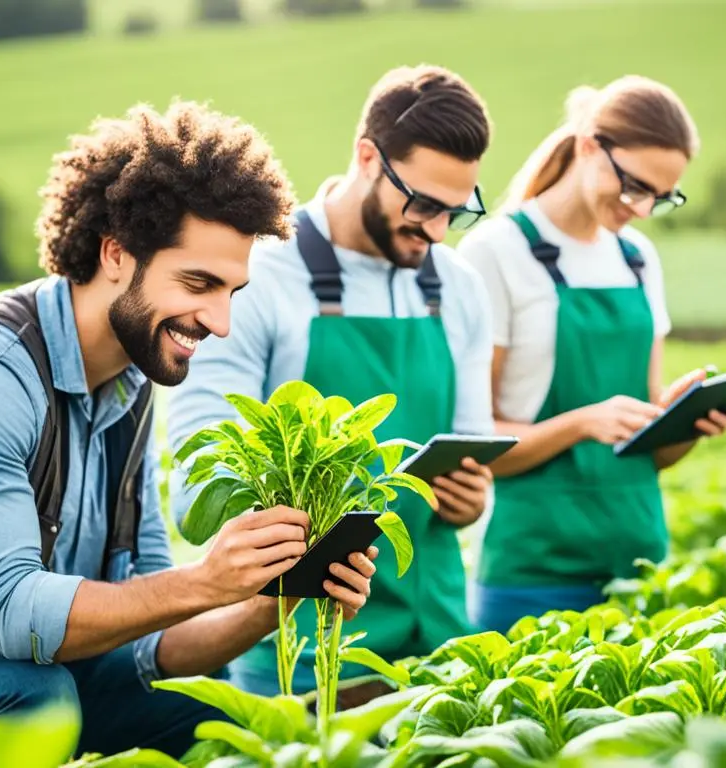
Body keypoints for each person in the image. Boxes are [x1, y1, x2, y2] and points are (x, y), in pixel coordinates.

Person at [0, 101, 379, 760]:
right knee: (36, 699)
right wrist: (205, 580)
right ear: (116, 254)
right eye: (198, 283)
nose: (220, 322)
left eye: (230, 292)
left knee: (203, 707)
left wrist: (269, 600)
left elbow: (151, 640)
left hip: (24, 679)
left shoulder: (128, 385)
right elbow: (13, 614)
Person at [167, 65, 495, 703]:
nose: (435, 231)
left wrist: (470, 498)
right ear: (368, 157)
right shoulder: (257, 277)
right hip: (297, 653)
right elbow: (198, 483)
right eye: (423, 204)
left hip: (440, 649)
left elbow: (474, 455)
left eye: (456, 212)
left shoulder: (459, 286)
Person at [457, 76, 726, 634]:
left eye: (661, 196)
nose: (643, 209)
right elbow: (476, 442)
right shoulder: (496, 253)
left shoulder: (637, 259)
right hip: (532, 571)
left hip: (639, 565)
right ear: (588, 145)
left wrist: (683, 424)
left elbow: (643, 450)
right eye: (635, 186)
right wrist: (583, 422)